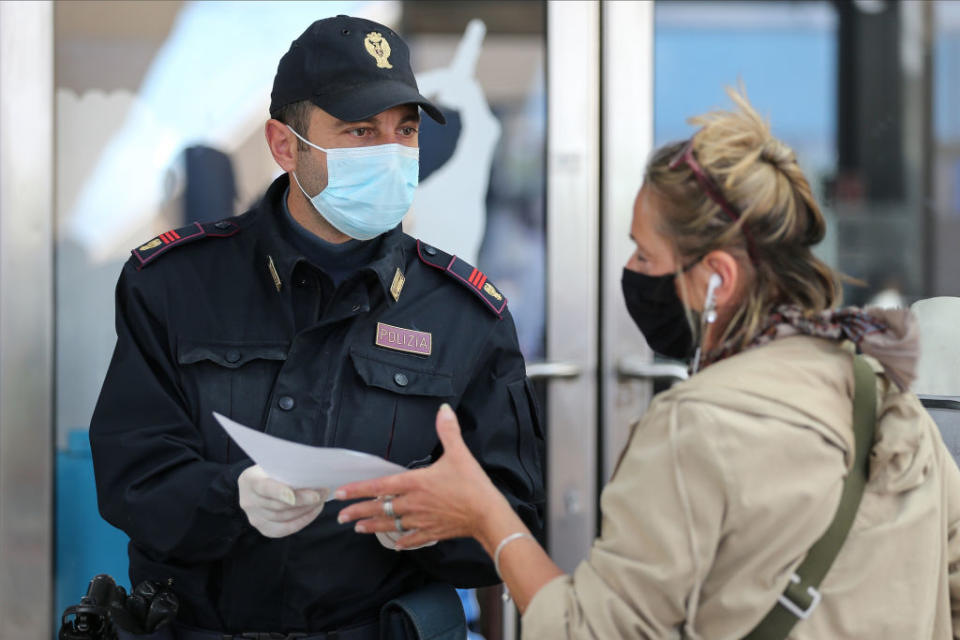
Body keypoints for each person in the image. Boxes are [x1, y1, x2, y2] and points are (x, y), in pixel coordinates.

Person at [337, 88, 960, 639]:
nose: (632, 273)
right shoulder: (878, 386)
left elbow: (592, 631)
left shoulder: (698, 426)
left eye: (644, 253)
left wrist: (485, 514)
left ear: (717, 277)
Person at [89, 15, 544, 640]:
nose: (390, 153)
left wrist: (434, 522)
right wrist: (233, 495)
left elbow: (516, 514)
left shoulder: (463, 314)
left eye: (404, 130)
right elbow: (131, 476)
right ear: (284, 146)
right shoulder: (174, 285)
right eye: (359, 130)